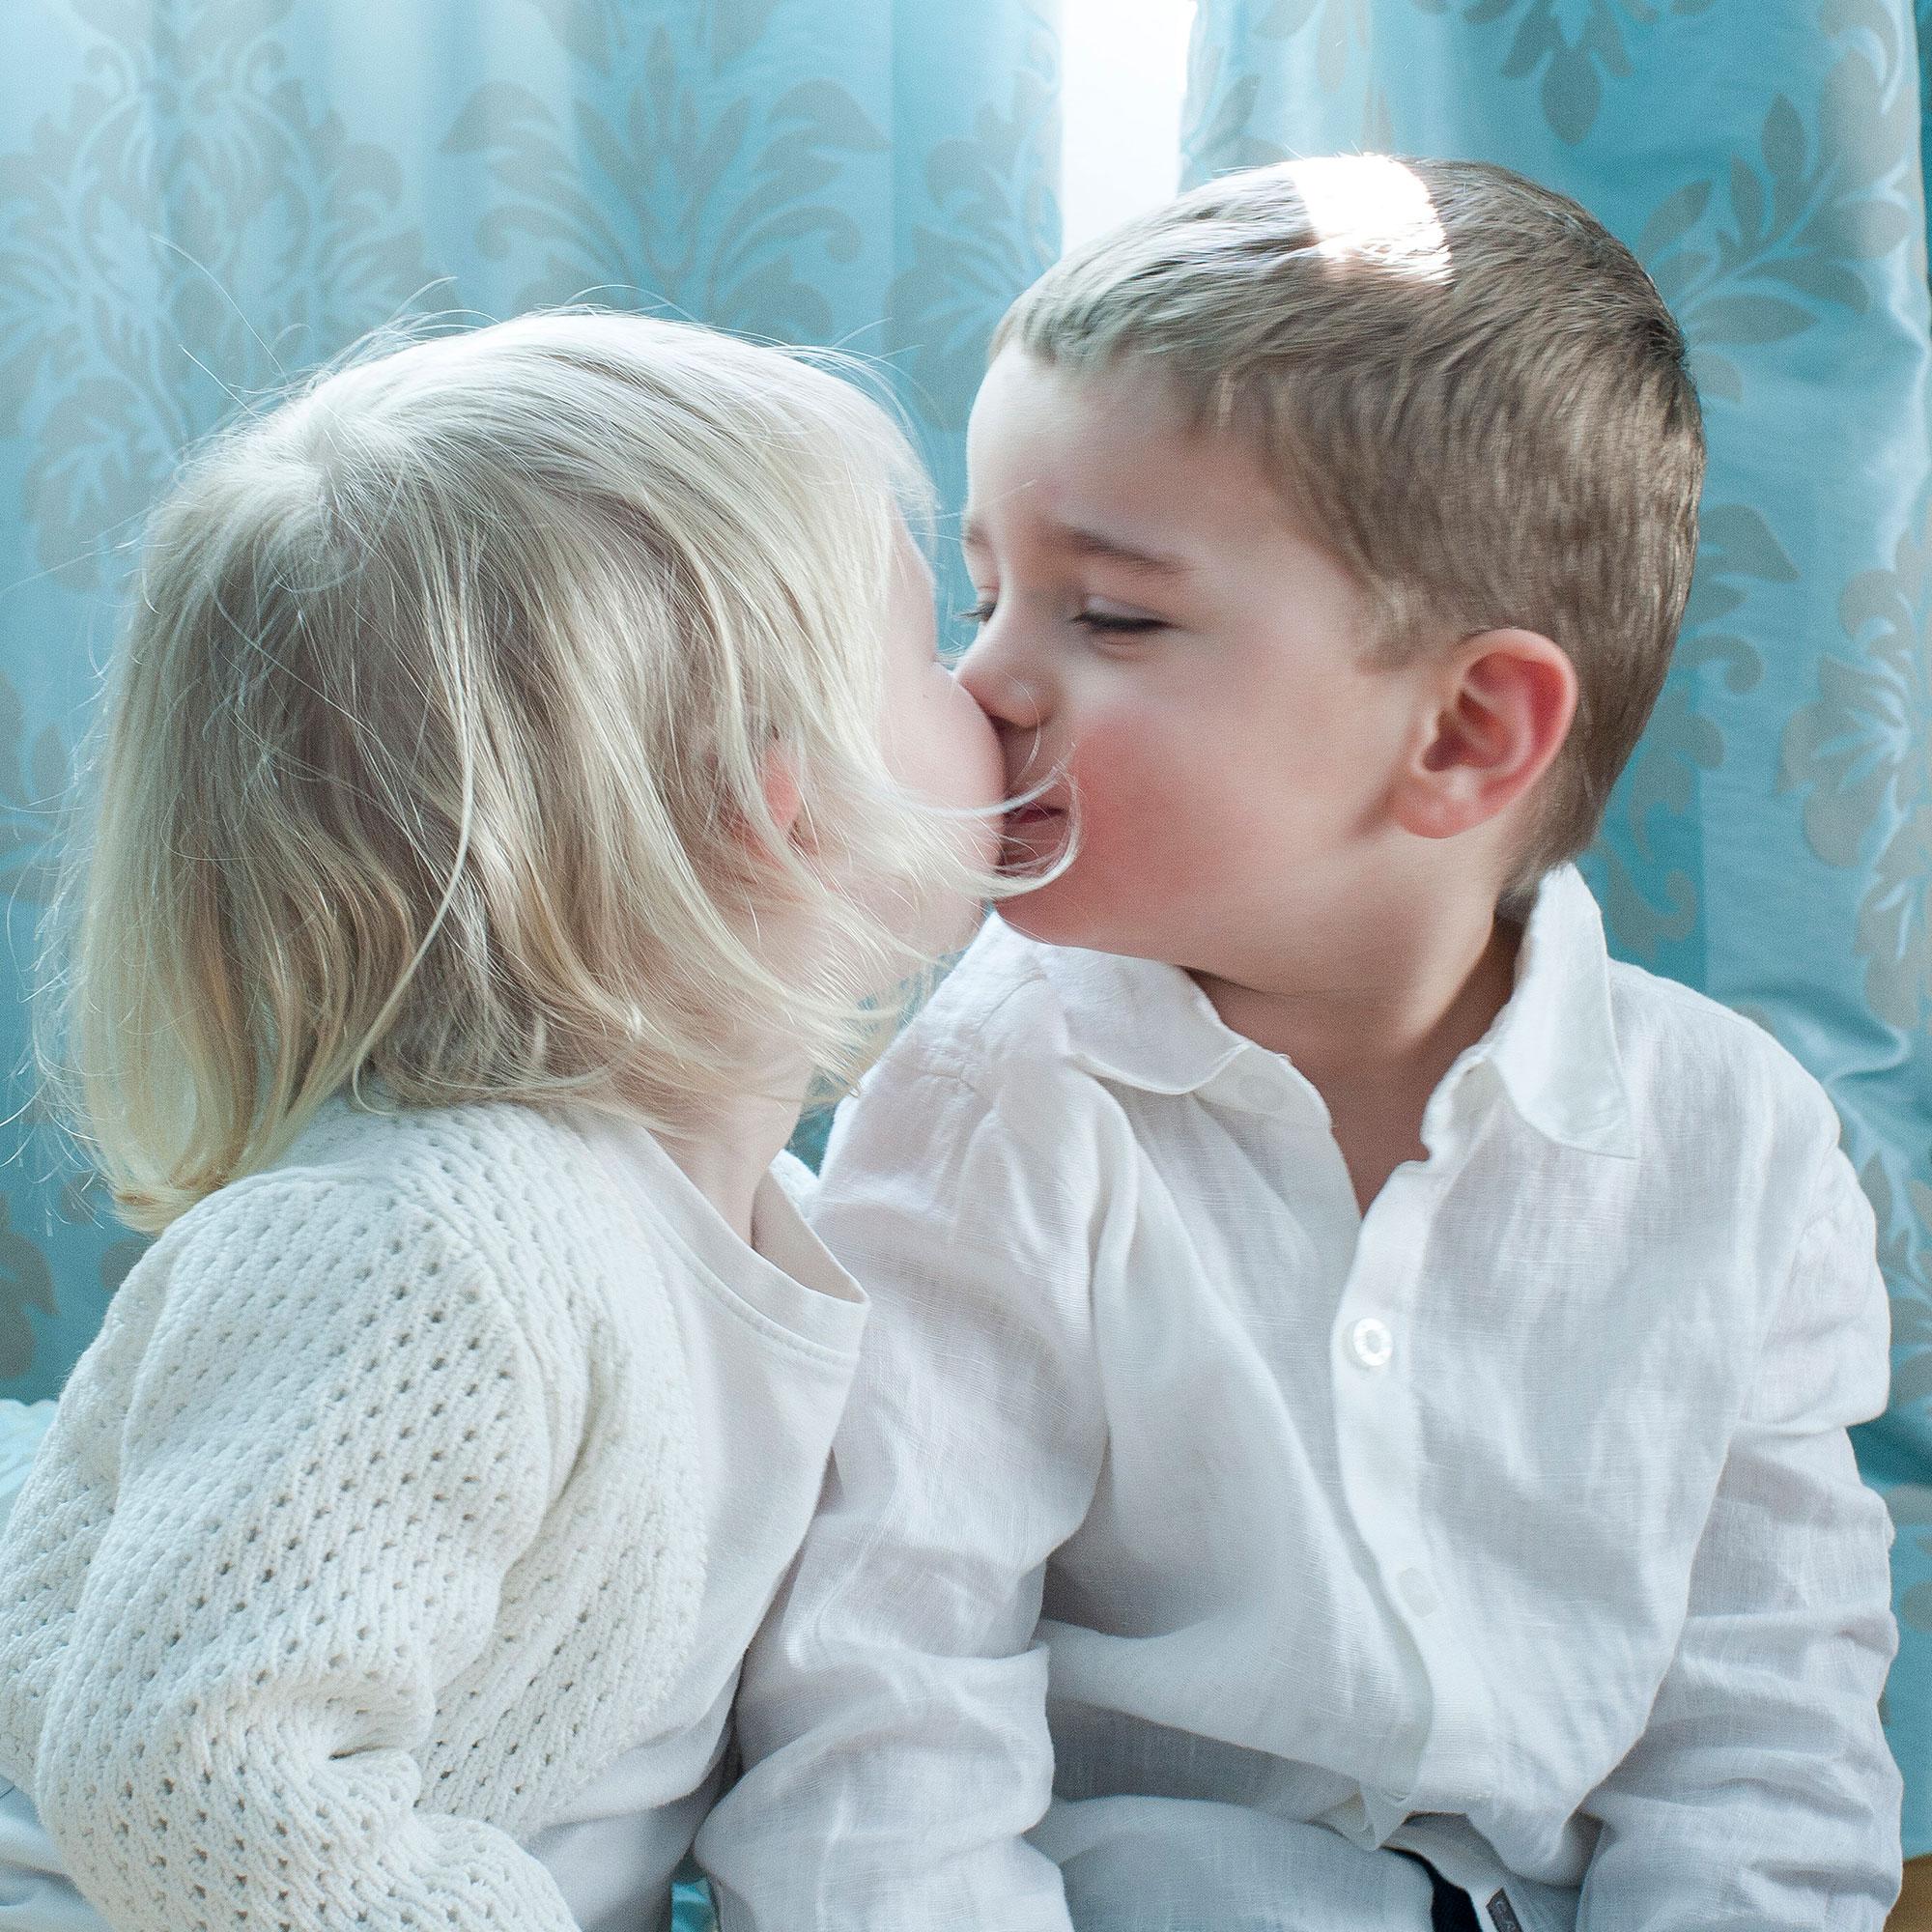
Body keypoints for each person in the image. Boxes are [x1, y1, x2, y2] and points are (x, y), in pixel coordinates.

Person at [700, 156, 1904, 1930]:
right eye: (984, 597)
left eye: (1108, 614)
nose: (986, 687)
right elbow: (882, 1700)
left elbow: (1764, 1738)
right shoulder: (992, 1103)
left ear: (1466, 733)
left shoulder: (1742, 1149)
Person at [0, 309, 1005, 1932]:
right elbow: (194, 1790)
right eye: (927, 646)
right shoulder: (424, 1253)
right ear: (782, 797)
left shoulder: (722, 1211)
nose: (996, 688)